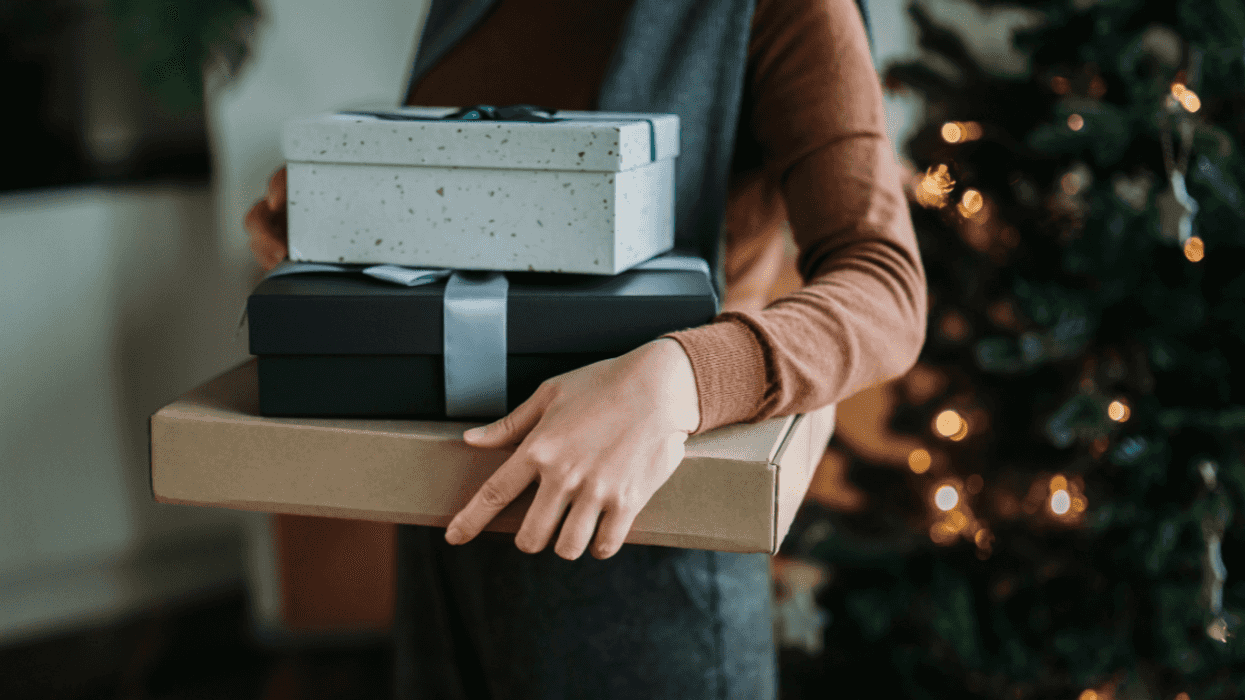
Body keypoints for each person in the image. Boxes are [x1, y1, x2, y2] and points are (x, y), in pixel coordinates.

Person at [245, 0, 927, 697]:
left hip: (641, 535)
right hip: (444, 513)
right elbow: (492, 211)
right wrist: (356, 212)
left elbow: (885, 286)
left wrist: (682, 377)